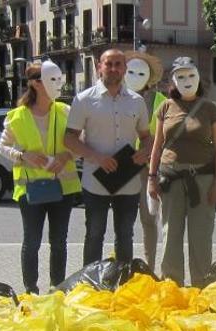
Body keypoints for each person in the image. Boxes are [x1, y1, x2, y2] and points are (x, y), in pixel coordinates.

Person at [0, 60, 82, 294]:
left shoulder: (65, 111)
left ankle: (58, 287)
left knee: (59, 242)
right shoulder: (16, 116)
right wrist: (22, 155)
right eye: (51, 80)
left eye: (58, 79)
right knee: (32, 242)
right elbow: (2, 147)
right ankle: (31, 290)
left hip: (62, 187)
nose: (57, 85)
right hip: (31, 189)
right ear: (36, 84)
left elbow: (80, 143)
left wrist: (66, 155)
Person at [64, 48, 150, 265]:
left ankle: (122, 283)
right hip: (95, 180)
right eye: (108, 64)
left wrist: (145, 152)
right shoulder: (83, 100)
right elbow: (69, 139)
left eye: (118, 64)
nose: (113, 68)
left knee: (125, 236)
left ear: (125, 69)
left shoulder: (137, 102)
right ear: (99, 67)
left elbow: (146, 137)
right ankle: (91, 283)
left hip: (128, 181)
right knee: (94, 235)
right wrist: (96, 157)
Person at [146, 57, 216, 286]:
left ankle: (201, 285)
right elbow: (157, 145)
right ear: (172, 80)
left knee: (201, 236)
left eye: (190, 75)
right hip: (171, 178)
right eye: (180, 76)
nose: (186, 80)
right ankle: (172, 284)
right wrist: (151, 178)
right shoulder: (165, 107)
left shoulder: (211, 109)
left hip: (203, 180)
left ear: (199, 77)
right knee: (171, 234)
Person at [124, 50, 165, 269]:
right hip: (121, 169)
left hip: (148, 170)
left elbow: (167, 137)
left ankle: (149, 264)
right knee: (124, 222)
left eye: (141, 73)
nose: (135, 77)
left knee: (149, 219)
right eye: (130, 71)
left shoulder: (161, 102)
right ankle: (125, 264)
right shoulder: (117, 98)